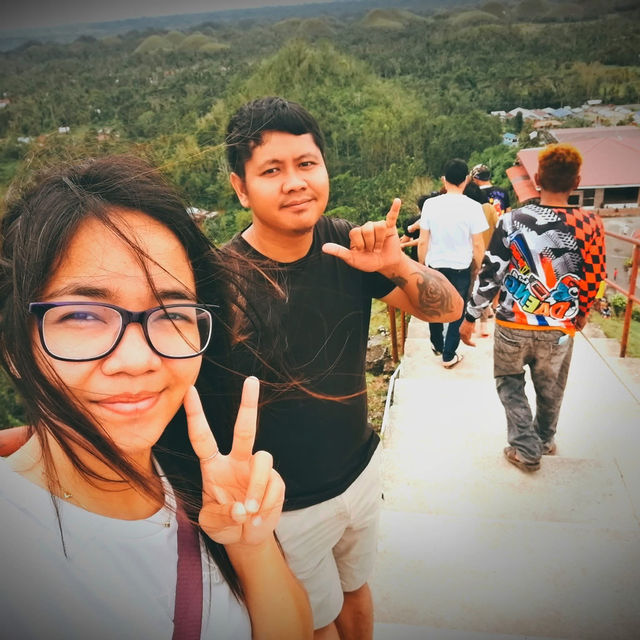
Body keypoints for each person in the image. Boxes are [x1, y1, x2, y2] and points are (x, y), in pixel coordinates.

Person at [0, 156, 313, 639]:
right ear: (14, 346)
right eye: (82, 315)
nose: (137, 359)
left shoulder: (192, 475)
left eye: (171, 313)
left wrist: (249, 546)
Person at [205, 96, 462, 640]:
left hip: (360, 469)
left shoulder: (344, 243)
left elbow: (449, 310)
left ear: (324, 167)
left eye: (306, 163)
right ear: (240, 187)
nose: (295, 181)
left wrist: (395, 264)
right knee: (315, 623)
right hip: (287, 504)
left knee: (356, 593)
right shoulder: (221, 285)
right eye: (271, 170)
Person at [460, 144, 607, 472]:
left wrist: (471, 316)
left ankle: (525, 446)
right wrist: (580, 314)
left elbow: (491, 271)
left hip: (513, 323)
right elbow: (596, 276)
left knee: (509, 381)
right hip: (559, 327)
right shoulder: (590, 224)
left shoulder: (513, 219)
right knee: (551, 385)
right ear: (577, 181)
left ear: (538, 178)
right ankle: (543, 439)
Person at [417, 158, 488, 368]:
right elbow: (477, 245)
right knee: (458, 310)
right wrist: (480, 267)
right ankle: (449, 354)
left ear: (443, 179)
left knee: (435, 306)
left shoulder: (430, 204)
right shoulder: (474, 207)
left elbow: (423, 240)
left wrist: (422, 265)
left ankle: (437, 345)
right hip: (460, 268)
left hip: (435, 266)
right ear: (466, 180)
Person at [463, 181, 499, 337]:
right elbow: (499, 227)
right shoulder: (489, 209)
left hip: (468, 255)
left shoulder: (465, 210)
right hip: (488, 254)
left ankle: (469, 319)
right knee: (483, 288)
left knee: (470, 289)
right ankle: (483, 326)